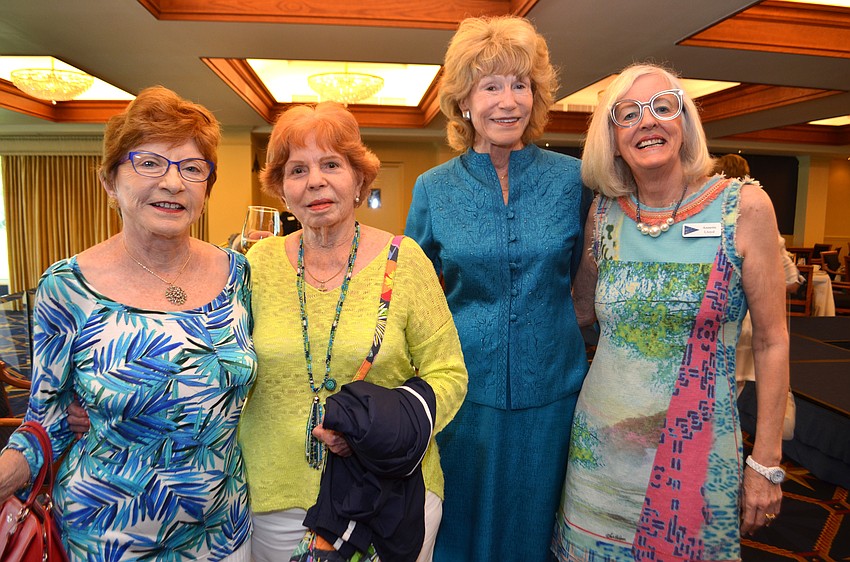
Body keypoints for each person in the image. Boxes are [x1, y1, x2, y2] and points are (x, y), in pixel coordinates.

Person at [0, 86, 256, 561]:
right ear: (110, 181)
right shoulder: (66, 286)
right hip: (107, 536)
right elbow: (48, 418)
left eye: (193, 168)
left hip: (224, 533)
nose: (173, 183)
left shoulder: (238, 273)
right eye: (149, 162)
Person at [553, 63, 789, 561]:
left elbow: (772, 342)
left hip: (698, 455)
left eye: (663, 107)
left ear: (685, 123)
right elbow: (576, 311)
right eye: (629, 114)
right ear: (611, 137)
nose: (648, 122)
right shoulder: (605, 213)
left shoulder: (743, 208)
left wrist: (766, 461)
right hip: (599, 459)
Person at [238, 101, 468, 561]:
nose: (315, 181)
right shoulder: (255, 265)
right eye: (297, 169)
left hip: (385, 496)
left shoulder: (405, 262)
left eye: (331, 164)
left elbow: (449, 375)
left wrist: (375, 432)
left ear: (359, 180)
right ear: (281, 190)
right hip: (272, 499)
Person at [404, 15, 590, 562]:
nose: (507, 100)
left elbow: (581, 278)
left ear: (536, 95)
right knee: (456, 524)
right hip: (463, 394)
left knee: (536, 525)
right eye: (490, 86)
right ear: (465, 101)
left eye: (520, 84)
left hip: (553, 392)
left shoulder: (572, 179)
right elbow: (413, 294)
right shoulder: (432, 188)